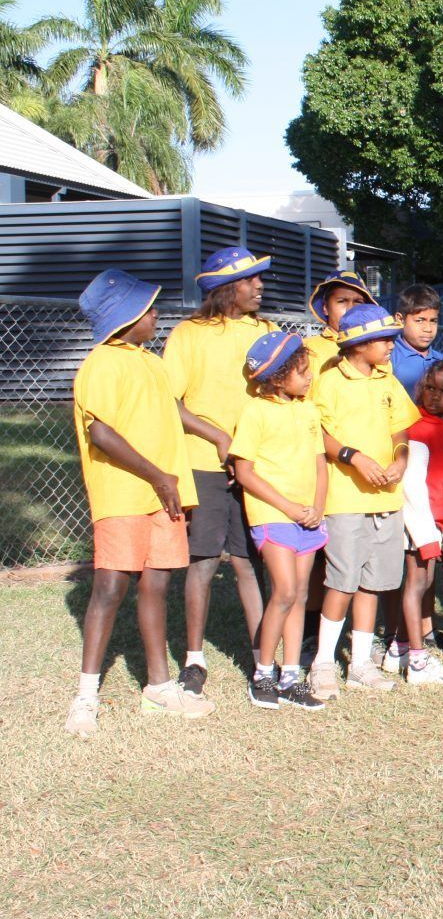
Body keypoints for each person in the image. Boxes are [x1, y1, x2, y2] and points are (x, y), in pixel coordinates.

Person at [64, 270, 209, 736]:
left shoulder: (151, 362)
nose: (157, 316)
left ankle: (159, 687)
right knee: (110, 588)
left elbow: (171, 416)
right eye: (149, 311)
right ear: (126, 318)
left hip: (163, 495)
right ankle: (86, 696)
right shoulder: (103, 363)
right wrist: (158, 477)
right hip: (125, 493)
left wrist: (209, 444)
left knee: (157, 587)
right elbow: (101, 432)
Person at [161, 246, 275, 697]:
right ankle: (194, 659)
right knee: (204, 562)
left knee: (250, 562)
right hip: (202, 463)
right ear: (227, 288)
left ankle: (262, 662)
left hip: (256, 467)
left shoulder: (267, 331)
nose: (259, 286)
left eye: (258, 279)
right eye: (250, 280)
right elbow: (171, 402)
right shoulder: (189, 334)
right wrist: (219, 438)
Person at [310, 303, 419, 697]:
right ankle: (322, 663)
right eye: (384, 340)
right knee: (342, 581)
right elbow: (318, 433)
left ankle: (359, 663)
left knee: (373, 584)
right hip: (345, 499)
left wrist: (401, 459)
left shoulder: (387, 381)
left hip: (387, 499)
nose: (392, 346)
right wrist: (352, 457)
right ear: (358, 345)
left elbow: (400, 431)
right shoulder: (328, 382)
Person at [228, 332, 330, 710]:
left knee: (301, 594)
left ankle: (290, 676)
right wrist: (289, 507)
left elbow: (320, 464)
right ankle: (263, 675)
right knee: (285, 590)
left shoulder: (308, 410)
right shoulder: (255, 411)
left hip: (308, 517)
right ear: (276, 377)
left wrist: (317, 506)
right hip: (274, 516)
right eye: (302, 372)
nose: (308, 378)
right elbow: (245, 472)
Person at [395, 359, 443, 682]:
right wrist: (424, 532)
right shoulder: (415, 427)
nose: (435, 396)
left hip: (439, 519)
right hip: (419, 520)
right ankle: (417, 659)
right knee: (416, 583)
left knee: (424, 584)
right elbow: (411, 487)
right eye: (431, 388)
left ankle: (399, 648)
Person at [301, 269, 376, 376]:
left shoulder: (377, 348)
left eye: (358, 302)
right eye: (342, 301)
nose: (351, 309)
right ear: (325, 308)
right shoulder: (307, 350)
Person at [390, 283, 443, 402]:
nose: (428, 329)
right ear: (400, 319)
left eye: (433, 321)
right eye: (420, 320)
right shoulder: (388, 359)